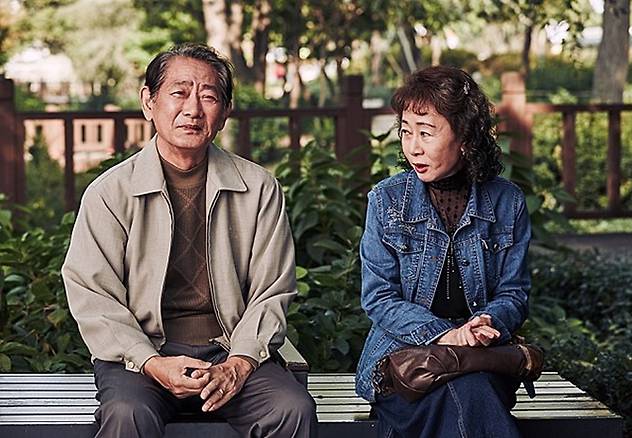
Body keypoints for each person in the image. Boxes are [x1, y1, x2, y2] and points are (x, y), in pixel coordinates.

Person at [62, 43, 317, 438]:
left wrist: (239, 364)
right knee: (128, 414)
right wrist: (150, 361)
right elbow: (93, 295)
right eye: (179, 93)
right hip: (142, 356)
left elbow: (272, 290)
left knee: (291, 409)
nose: (193, 109)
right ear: (149, 102)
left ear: (226, 111)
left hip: (230, 348)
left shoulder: (259, 188)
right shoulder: (110, 193)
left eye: (209, 96)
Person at [355, 65, 531, 438]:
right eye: (406, 131)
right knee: (467, 396)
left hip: (479, 358)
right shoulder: (386, 201)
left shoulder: (507, 201)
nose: (413, 147)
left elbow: (514, 293)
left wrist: (485, 325)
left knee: (467, 391)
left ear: (465, 137)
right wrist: (445, 336)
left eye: (426, 132)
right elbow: (378, 297)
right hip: (404, 360)